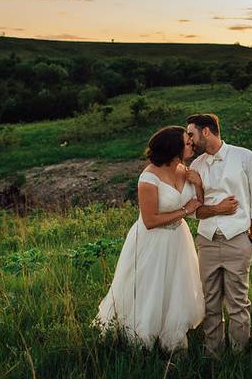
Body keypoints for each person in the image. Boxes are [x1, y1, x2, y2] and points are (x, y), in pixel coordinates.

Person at [94, 126, 206, 351]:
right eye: (186, 142)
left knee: (176, 286)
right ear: (173, 148)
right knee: (150, 288)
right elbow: (150, 220)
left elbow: (197, 205)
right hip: (152, 240)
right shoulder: (149, 177)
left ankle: (171, 335)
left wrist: (199, 185)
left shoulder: (185, 170)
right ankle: (140, 338)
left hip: (178, 239)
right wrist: (184, 211)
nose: (191, 145)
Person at [186, 113, 252, 355]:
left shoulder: (245, 157)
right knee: (210, 304)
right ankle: (213, 355)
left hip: (238, 239)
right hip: (207, 242)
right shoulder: (195, 166)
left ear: (206, 131)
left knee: (238, 303)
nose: (189, 140)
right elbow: (195, 212)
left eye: (191, 133)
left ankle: (239, 355)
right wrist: (217, 208)